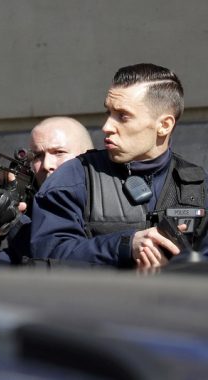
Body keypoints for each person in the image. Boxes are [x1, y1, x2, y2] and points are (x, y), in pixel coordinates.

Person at [31, 63, 208, 269]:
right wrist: (124, 246)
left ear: (164, 125)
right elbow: (47, 253)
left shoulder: (200, 186)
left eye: (123, 116)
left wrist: (177, 264)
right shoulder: (73, 178)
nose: (106, 127)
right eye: (108, 112)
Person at [0, 117, 94, 265]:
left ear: (88, 155)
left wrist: (20, 225)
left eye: (59, 152)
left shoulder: (107, 199)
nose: (46, 165)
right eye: (38, 156)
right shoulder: (30, 210)